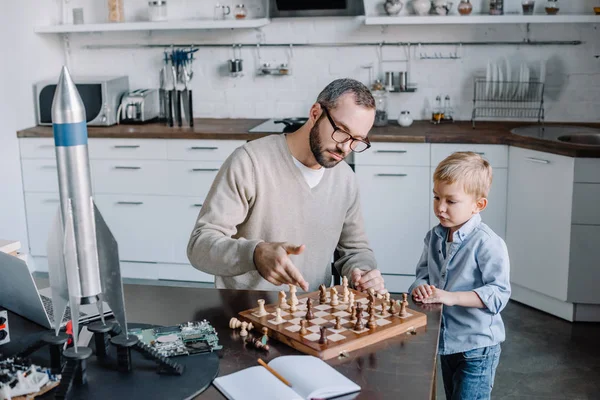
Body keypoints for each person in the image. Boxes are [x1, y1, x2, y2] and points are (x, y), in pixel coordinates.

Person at [187, 78, 386, 294]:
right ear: (315, 113)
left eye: (357, 140)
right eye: (341, 131)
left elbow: (355, 250)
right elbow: (200, 246)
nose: (345, 147)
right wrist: (255, 253)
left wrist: (363, 273)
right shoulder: (250, 162)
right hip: (246, 311)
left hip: (314, 314)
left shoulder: (345, 179)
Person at [408, 152, 511, 400]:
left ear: (478, 205)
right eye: (436, 197)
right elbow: (423, 273)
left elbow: (498, 294)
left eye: (451, 201)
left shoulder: (488, 244)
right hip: (445, 343)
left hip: (477, 348)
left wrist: (451, 297)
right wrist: (420, 287)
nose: (440, 207)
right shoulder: (434, 236)